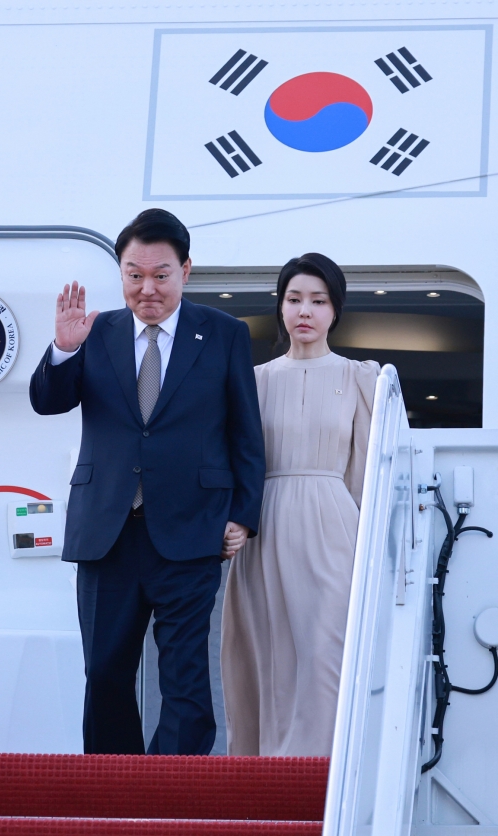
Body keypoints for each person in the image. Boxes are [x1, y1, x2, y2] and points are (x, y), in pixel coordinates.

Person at [29, 208, 265, 756]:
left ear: (186, 269)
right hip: (106, 531)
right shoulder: (97, 331)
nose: (147, 288)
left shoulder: (224, 333)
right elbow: (48, 402)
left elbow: (244, 432)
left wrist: (244, 515)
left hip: (191, 529)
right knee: (106, 673)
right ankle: (115, 793)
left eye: (161, 275)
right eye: (134, 275)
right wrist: (64, 349)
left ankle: (172, 794)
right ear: (121, 273)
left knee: (184, 678)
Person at [220, 253, 379, 757]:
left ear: (336, 310)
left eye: (318, 300)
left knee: (326, 651)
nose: (304, 310)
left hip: (335, 527)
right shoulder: (254, 379)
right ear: (280, 307)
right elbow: (231, 458)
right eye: (294, 299)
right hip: (263, 526)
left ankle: (321, 779)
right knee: (267, 655)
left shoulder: (361, 377)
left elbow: (370, 470)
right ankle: (265, 779)